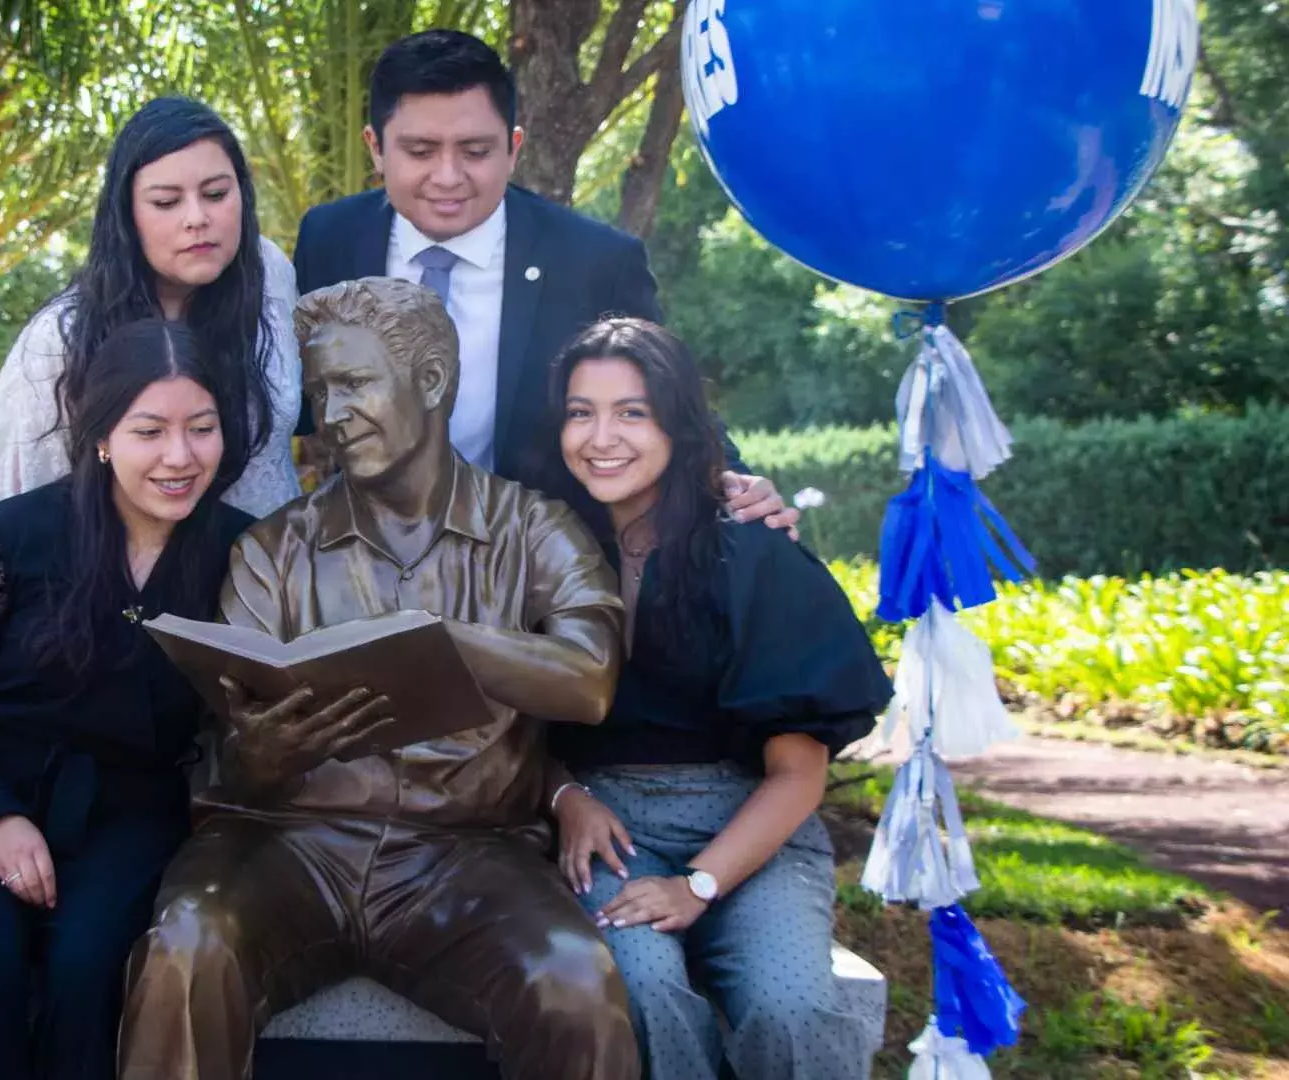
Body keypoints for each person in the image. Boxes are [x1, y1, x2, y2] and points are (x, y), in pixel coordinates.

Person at [118, 278, 639, 1080]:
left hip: (468, 856)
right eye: (321, 392)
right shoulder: (273, 549)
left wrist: (438, 640)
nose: (332, 415)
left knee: (575, 984)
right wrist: (264, 750)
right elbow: (234, 746)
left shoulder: (535, 529)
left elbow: (590, 679)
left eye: (355, 384)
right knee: (188, 948)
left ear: (430, 381)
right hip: (285, 844)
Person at [0, 319, 259, 1079]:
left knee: (90, 979)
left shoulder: (245, 553)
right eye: (150, 431)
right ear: (104, 435)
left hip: (128, 819)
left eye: (201, 429)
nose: (179, 457)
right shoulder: (21, 532)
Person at [542, 318, 893, 1079]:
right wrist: (564, 793)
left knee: (791, 1007)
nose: (601, 437)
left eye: (632, 411)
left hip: (750, 825)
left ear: (679, 423)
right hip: (608, 828)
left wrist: (697, 884)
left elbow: (798, 774)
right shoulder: (543, 548)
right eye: (580, 411)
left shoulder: (751, 550)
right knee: (638, 989)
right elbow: (506, 720)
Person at [291, 28, 796, 532]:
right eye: (421, 151)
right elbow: (299, 397)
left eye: (475, 151)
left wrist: (733, 479)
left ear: (513, 149)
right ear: (376, 148)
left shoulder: (594, 261)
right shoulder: (330, 239)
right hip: (370, 554)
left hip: (546, 563)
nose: (448, 176)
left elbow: (667, 397)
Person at [0, 96, 299, 653]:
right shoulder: (62, 341)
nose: (196, 218)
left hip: (265, 615)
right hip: (119, 636)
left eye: (216, 193)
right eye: (165, 200)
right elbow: (6, 499)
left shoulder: (270, 279)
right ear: (126, 215)